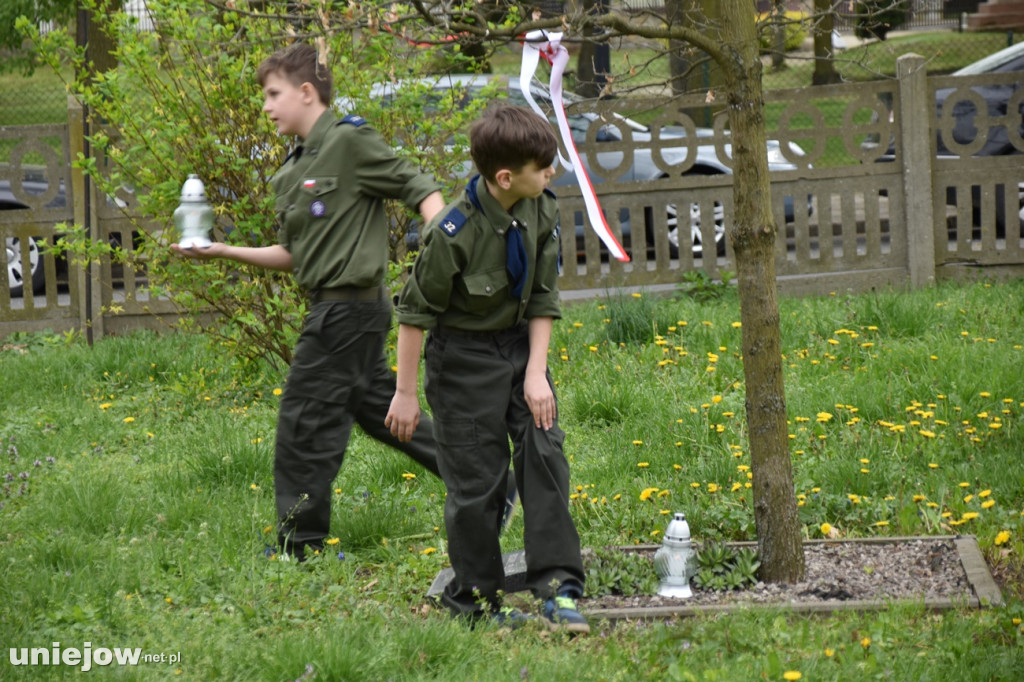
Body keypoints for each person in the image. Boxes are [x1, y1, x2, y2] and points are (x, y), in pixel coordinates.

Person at [171, 42, 461, 561]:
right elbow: (296, 254)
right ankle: (486, 483)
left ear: (307, 93)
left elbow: (416, 184)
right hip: (337, 307)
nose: (266, 105)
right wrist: (221, 251)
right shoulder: (293, 168)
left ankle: (302, 547)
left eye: (273, 94)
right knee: (382, 411)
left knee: (304, 423)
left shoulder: (349, 142)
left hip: (348, 312)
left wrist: (441, 234)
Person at [385, 104, 589, 633]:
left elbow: (543, 295)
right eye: (542, 166)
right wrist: (405, 394)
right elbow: (414, 316)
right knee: (478, 482)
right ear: (506, 177)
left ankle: (559, 588)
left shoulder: (540, 207)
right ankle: (474, 603)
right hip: (462, 360)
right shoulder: (451, 232)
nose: (553, 173)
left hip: (520, 347)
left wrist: (536, 374)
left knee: (545, 451)